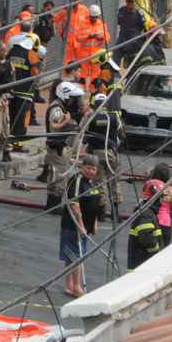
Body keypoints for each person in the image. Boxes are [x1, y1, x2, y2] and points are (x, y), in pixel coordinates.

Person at [60, 154, 104, 297]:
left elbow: (95, 205)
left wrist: (94, 224)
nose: (90, 171)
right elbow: (74, 204)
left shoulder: (92, 183)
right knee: (76, 257)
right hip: (73, 226)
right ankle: (77, 287)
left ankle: (70, 285)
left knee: (73, 256)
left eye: (93, 169)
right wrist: (80, 225)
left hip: (86, 226)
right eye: (88, 168)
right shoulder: (77, 181)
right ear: (82, 167)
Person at [43, 81, 87, 207]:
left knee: (63, 177)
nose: (75, 102)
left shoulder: (63, 108)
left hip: (62, 148)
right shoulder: (57, 109)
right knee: (58, 178)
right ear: (66, 97)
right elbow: (55, 125)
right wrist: (66, 121)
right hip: (56, 148)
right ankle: (52, 206)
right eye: (74, 99)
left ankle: (56, 203)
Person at [7, 21, 41, 153]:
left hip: (12, 89)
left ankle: (9, 142)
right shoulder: (31, 54)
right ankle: (18, 144)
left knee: (11, 115)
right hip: (25, 91)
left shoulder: (13, 49)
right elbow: (34, 73)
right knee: (22, 119)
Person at [86, 93, 124, 206]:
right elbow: (122, 135)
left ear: (95, 104)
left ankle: (100, 210)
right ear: (106, 104)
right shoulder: (114, 117)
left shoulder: (90, 117)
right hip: (111, 154)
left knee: (98, 182)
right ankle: (115, 210)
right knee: (114, 181)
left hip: (96, 154)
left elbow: (82, 132)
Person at [72, 4, 111, 90]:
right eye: (92, 17)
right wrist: (88, 37)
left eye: (95, 17)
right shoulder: (82, 23)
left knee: (95, 76)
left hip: (96, 56)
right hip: (83, 55)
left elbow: (107, 37)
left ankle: (93, 94)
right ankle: (80, 93)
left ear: (98, 16)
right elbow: (77, 37)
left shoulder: (102, 24)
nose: (94, 19)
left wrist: (101, 37)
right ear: (89, 15)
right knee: (82, 75)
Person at [145, 163, 172, 247]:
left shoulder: (147, 186)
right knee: (161, 253)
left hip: (147, 223)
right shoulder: (170, 190)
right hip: (163, 224)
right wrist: (169, 216)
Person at [127, 188, 163, 271]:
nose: (162, 202)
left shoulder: (147, 212)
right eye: (160, 198)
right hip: (144, 266)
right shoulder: (146, 215)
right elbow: (146, 238)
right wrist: (158, 253)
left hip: (141, 265)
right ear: (155, 198)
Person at [55, 0, 90, 71]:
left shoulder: (84, 9)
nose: (76, 2)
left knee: (81, 61)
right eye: (74, 0)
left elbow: (89, 22)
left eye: (77, 0)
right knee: (67, 62)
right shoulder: (65, 11)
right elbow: (55, 20)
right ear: (70, 1)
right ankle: (66, 77)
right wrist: (61, 33)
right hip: (69, 41)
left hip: (80, 41)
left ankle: (80, 78)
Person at [114, 0, 146, 69]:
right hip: (122, 38)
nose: (129, 3)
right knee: (115, 55)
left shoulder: (139, 13)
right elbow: (118, 22)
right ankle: (115, 74)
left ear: (135, 2)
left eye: (131, 1)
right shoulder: (121, 10)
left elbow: (144, 27)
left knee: (132, 63)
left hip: (134, 40)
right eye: (128, 1)